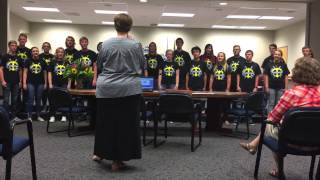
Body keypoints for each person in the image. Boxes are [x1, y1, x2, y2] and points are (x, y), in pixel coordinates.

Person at [240, 57, 320, 178]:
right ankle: (253, 146)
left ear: (297, 72)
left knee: (269, 126)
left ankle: (278, 169)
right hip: (317, 142)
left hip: (291, 142)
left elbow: (272, 119)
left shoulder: (292, 93)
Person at [93, 13, 145, 171]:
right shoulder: (136, 44)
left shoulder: (106, 44)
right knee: (125, 126)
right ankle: (118, 161)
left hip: (106, 89)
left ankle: (99, 153)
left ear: (115, 26)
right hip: (129, 89)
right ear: (130, 27)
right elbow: (142, 65)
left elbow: (100, 64)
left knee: (104, 123)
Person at [23, 47, 47, 121]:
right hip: (30, 83)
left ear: (38, 52)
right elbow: (25, 72)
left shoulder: (42, 61)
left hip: (40, 83)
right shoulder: (28, 61)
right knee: (30, 99)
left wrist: (46, 83)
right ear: (31, 52)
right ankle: (29, 116)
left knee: (38, 99)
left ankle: (38, 115)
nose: (35, 52)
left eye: (37, 51)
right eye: (34, 51)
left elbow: (45, 73)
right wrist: (24, 83)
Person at [0, 40, 23, 116]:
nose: (14, 47)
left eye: (15, 45)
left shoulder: (18, 57)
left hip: (16, 82)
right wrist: (2, 80)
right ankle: (5, 117)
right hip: (6, 81)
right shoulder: (4, 56)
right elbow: (1, 69)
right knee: (6, 100)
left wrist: (20, 81)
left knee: (15, 100)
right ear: (9, 46)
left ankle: (13, 116)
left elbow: (20, 70)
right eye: (12, 45)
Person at [48, 47, 70, 122]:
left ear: (64, 53)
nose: (60, 53)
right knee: (53, 100)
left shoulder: (67, 62)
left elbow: (70, 74)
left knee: (64, 99)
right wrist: (50, 83)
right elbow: (49, 73)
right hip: (54, 83)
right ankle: (52, 115)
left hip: (64, 83)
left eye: (61, 52)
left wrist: (69, 84)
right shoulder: (52, 62)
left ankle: (64, 115)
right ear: (56, 53)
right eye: (58, 52)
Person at [39, 42, 54, 111]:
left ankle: (51, 107)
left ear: (50, 48)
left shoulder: (53, 57)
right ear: (42, 47)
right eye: (44, 46)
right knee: (44, 93)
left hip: (52, 77)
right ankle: (44, 106)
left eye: (48, 46)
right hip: (42, 77)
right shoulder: (39, 56)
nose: (46, 47)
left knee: (51, 93)